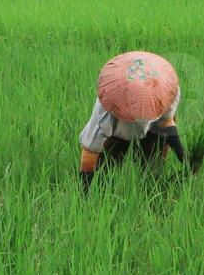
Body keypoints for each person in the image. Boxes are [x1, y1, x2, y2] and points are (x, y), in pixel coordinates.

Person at [78, 51, 189, 191]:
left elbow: (166, 122)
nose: (141, 111)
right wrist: (86, 191)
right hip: (117, 134)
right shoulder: (107, 110)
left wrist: (183, 157)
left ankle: (150, 192)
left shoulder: (166, 91)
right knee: (105, 173)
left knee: (153, 171)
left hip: (153, 130)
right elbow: (90, 152)